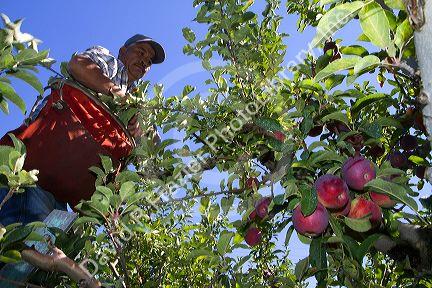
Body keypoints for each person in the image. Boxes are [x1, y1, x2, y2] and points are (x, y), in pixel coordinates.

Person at [0, 34, 165, 226]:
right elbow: (78, 65)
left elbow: (154, 152)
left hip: (66, 192)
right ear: (123, 51)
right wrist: (116, 93)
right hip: (31, 169)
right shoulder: (110, 63)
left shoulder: (140, 101)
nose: (144, 61)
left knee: (47, 243)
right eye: (141, 52)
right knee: (18, 237)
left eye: (149, 61)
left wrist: (142, 128)